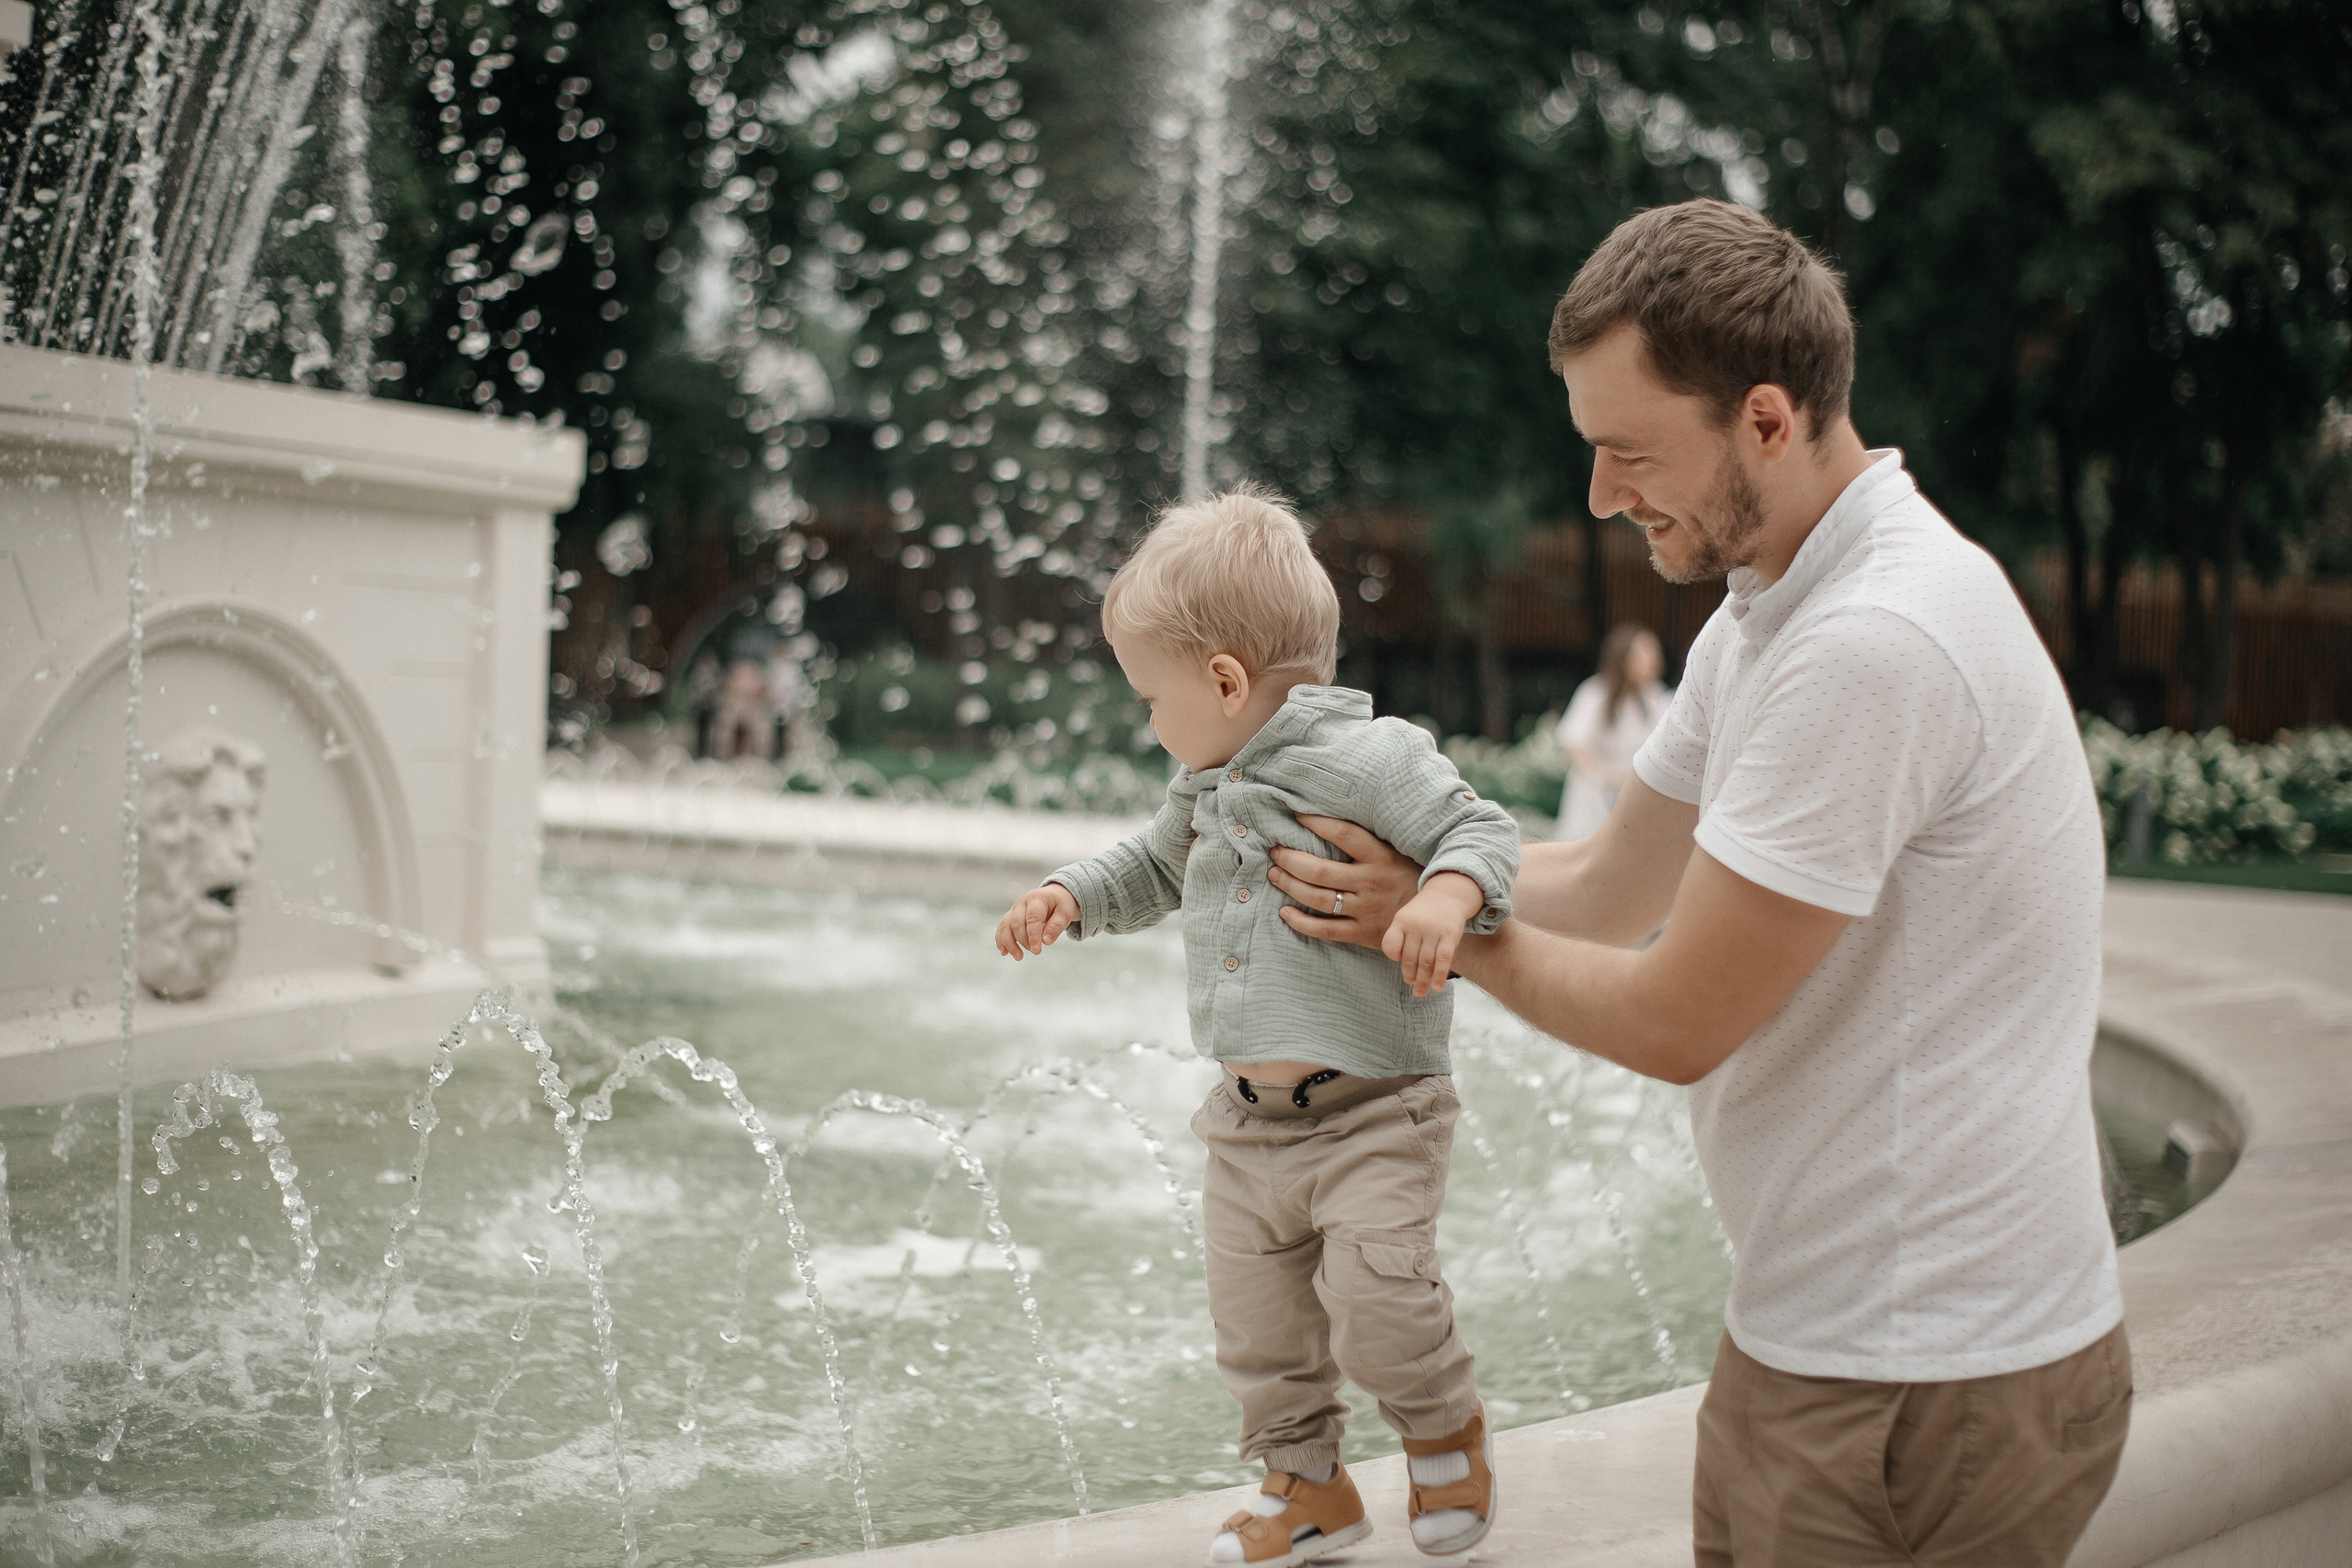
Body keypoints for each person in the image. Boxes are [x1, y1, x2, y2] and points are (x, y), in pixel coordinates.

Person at [1261, 199, 2129, 1568]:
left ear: (1768, 421)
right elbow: (1609, 884)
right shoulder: (1769, 604)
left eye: (1630, 452)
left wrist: (1424, 927)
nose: (1604, 497)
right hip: (1829, 1335)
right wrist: (1386, 860)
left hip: (1931, 1376)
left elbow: (1674, 1017)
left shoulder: (1872, 640)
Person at [992, 486, 1521, 1567]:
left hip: (1374, 1108)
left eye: (1150, 697)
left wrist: (1442, 898)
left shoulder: (1375, 760)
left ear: (1225, 679)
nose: (1149, 722)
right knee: (1261, 1333)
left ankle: (1439, 1429)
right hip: (1245, 1126)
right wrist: (1072, 895)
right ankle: (1308, 1486)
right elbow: (1150, 866)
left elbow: (1481, 828)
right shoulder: (1205, 785)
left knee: (1378, 1296)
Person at [1555, 622, 1668, 839]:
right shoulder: (1596, 691)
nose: (1653, 659)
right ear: (1624, 657)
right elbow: (1573, 742)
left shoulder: (1656, 697)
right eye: (1645, 652)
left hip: (1634, 793)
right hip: (1594, 794)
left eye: (1655, 652)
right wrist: (1602, 775)